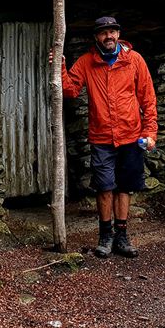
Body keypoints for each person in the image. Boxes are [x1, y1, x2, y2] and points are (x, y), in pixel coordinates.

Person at [53, 16, 157, 258]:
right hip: (101, 137)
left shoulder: (134, 60)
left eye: (112, 31)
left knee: (125, 187)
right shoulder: (87, 62)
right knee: (104, 187)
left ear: (118, 35)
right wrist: (58, 66)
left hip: (131, 136)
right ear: (96, 37)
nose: (108, 36)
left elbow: (148, 99)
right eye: (103, 33)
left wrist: (149, 132)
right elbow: (70, 89)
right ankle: (105, 236)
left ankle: (122, 236)